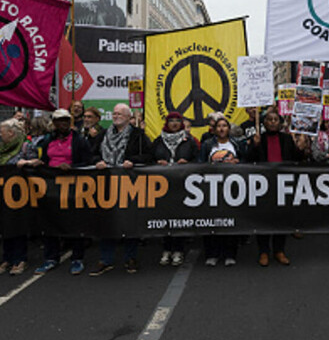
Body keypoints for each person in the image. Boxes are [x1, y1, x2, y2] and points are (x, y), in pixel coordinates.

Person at [23, 109, 96, 275]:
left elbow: (89, 161)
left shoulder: (79, 140)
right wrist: (38, 163)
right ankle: (51, 258)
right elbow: (43, 159)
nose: (62, 124)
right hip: (50, 186)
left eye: (65, 120)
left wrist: (72, 168)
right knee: (50, 221)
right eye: (59, 121)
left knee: (75, 222)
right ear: (54, 123)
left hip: (73, 186)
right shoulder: (47, 140)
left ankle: (77, 258)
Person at [91, 103, 152, 275]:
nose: (116, 116)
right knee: (107, 221)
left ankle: (130, 257)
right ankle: (106, 259)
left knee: (129, 221)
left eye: (120, 114)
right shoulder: (103, 134)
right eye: (114, 113)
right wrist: (98, 161)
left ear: (128, 117)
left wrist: (133, 161)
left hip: (128, 184)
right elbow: (92, 153)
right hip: (106, 183)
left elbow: (149, 155)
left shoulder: (138, 135)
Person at [246, 108, 302, 266]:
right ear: (264, 123)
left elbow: (297, 159)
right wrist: (254, 146)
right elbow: (248, 160)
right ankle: (263, 252)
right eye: (269, 119)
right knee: (263, 219)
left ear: (280, 123)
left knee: (281, 219)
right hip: (263, 185)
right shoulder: (258, 138)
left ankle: (279, 251)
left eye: (275, 120)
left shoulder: (286, 139)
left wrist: (301, 146)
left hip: (283, 183)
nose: (272, 122)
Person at [0, 118, 40, 275]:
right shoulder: (2, 149)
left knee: (18, 225)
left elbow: (35, 165)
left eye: (2, 132)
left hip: (20, 194)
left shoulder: (26, 146)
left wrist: (27, 163)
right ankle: (7, 258)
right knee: (5, 225)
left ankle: (20, 259)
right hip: (2, 192)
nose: (0, 135)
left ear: (11, 133)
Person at [150, 111, 196, 267]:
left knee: (179, 218)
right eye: (171, 121)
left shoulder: (189, 141)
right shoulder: (158, 141)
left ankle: (178, 250)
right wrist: (157, 162)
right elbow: (149, 159)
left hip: (183, 185)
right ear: (166, 123)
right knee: (164, 217)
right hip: (162, 186)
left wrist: (187, 163)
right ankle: (166, 248)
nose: (175, 123)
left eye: (178, 120)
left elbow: (198, 160)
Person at [200, 112, 243, 266]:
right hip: (212, 188)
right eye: (219, 126)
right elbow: (200, 163)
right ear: (215, 129)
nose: (222, 128)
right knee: (211, 221)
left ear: (229, 128)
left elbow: (246, 162)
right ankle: (212, 254)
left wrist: (238, 162)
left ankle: (230, 254)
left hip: (231, 189)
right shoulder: (207, 145)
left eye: (224, 126)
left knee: (230, 222)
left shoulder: (236, 144)